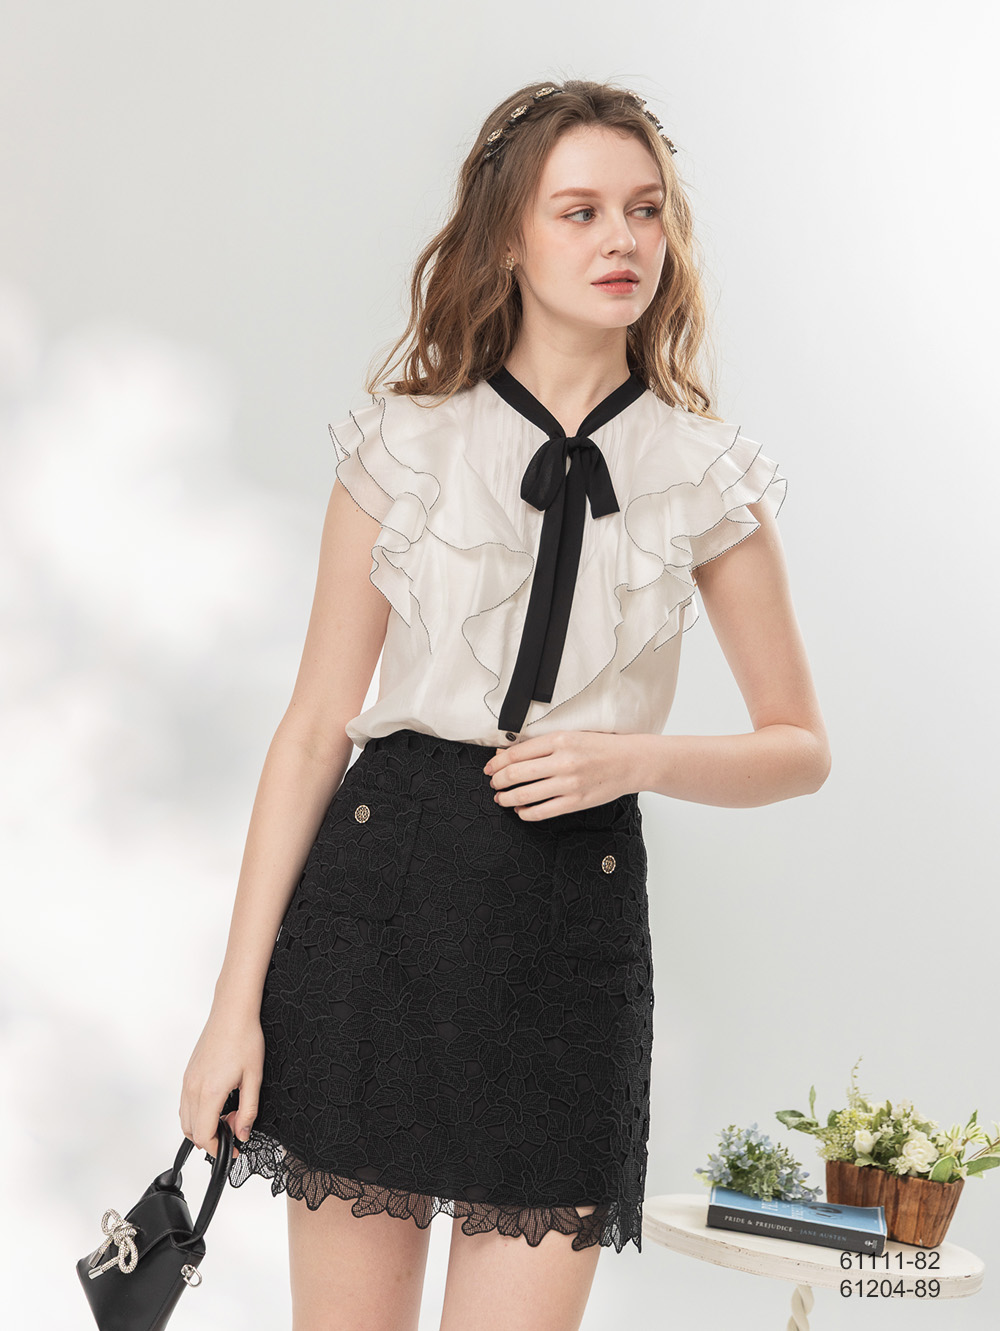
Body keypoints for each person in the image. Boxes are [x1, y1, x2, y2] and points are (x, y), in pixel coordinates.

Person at [179, 78, 831, 1331]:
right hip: (377, 910)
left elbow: (799, 747)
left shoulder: (705, 475)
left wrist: (630, 759)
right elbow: (313, 731)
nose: (622, 239)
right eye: (579, 211)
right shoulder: (403, 446)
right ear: (509, 239)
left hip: (569, 932)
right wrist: (231, 1009)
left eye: (645, 209)